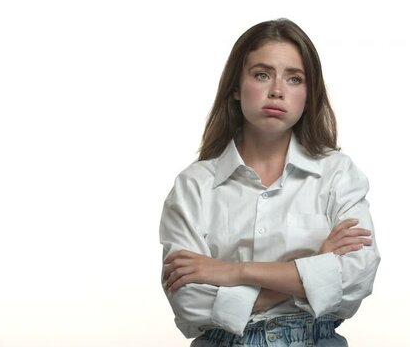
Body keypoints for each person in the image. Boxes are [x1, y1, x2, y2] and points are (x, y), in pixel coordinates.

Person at [159, 18, 380, 347]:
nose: (277, 90)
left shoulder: (338, 174)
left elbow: (355, 279)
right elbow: (191, 302)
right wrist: (313, 268)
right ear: (236, 86)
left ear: (309, 92)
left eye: (294, 78)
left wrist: (234, 272)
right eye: (262, 74)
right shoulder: (194, 186)